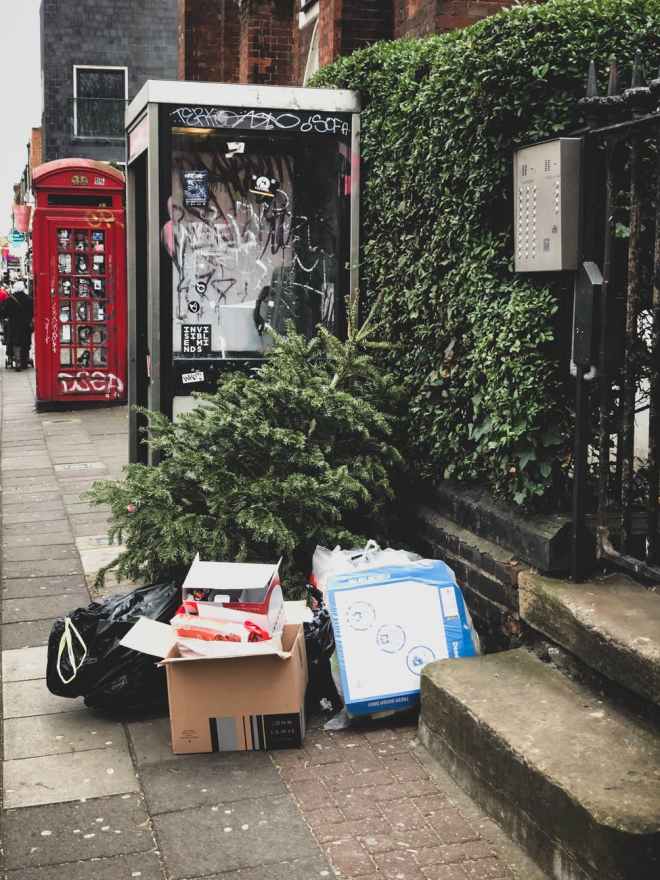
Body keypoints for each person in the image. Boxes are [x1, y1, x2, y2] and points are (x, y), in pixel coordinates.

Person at [0, 280, 34, 370]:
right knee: (26, 342)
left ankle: (18, 362)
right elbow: (34, 313)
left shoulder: (10, 300)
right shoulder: (29, 299)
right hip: (26, 325)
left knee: (16, 343)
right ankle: (25, 360)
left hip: (14, 325)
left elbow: (3, 313)